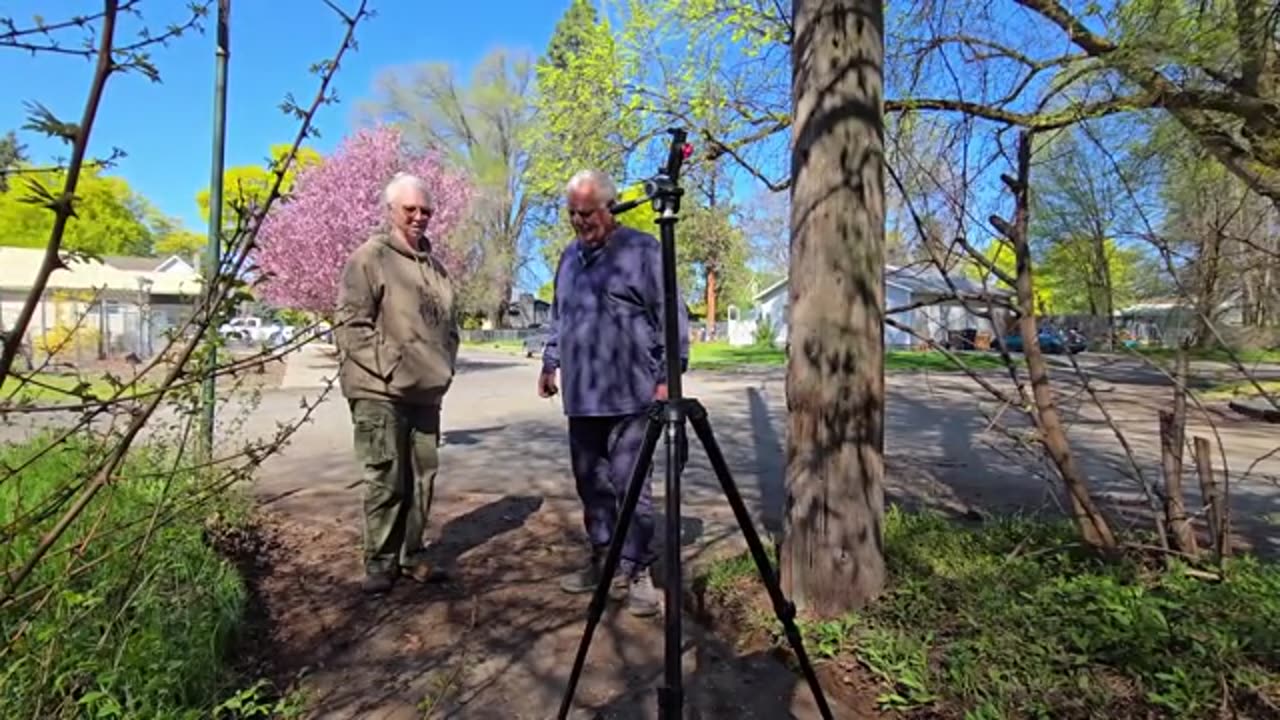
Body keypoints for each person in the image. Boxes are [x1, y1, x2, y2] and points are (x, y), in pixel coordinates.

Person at [537, 169, 689, 617]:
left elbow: (672, 318)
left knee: (632, 486)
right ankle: (603, 559)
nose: (580, 222)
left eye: (587, 213)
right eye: (572, 214)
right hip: (583, 396)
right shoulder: (568, 258)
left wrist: (668, 378)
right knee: (592, 485)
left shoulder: (642, 251)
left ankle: (638, 571)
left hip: (632, 396)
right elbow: (560, 317)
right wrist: (550, 363)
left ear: (611, 207)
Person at [335, 172, 460, 595]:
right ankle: (380, 562)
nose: (420, 217)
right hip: (378, 391)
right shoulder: (368, 259)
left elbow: (451, 329)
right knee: (387, 477)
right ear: (391, 211)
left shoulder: (438, 271)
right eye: (411, 209)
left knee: (423, 477)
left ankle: (412, 554)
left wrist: (444, 366)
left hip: (426, 392)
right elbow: (351, 327)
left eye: (426, 210)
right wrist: (392, 368)